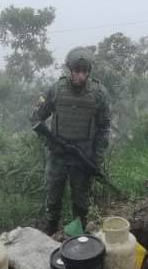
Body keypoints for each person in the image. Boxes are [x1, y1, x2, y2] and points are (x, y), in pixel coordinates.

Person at [30, 47, 111, 234]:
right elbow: (36, 118)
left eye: (84, 72)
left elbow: (104, 127)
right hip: (58, 153)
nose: (80, 76)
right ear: (70, 70)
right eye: (76, 71)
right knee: (53, 196)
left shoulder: (99, 93)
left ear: (89, 72)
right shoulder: (56, 89)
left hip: (83, 155)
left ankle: (78, 235)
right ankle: (51, 230)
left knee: (80, 201)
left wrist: (96, 158)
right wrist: (50, 143)